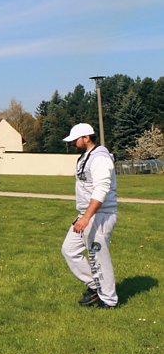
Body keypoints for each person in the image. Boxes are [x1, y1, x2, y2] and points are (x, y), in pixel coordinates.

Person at [60, 123, 118, 309]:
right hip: (86, 214)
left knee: (99, 257)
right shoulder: (86, 157)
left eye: (75, 140)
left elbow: (101, 189)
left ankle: (109, 300)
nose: (72, 144)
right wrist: (82, 216)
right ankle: (95, 286)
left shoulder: (100, 158)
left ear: (87, 137)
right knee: (69, 250)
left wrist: (86, 218)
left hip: (100, 215)